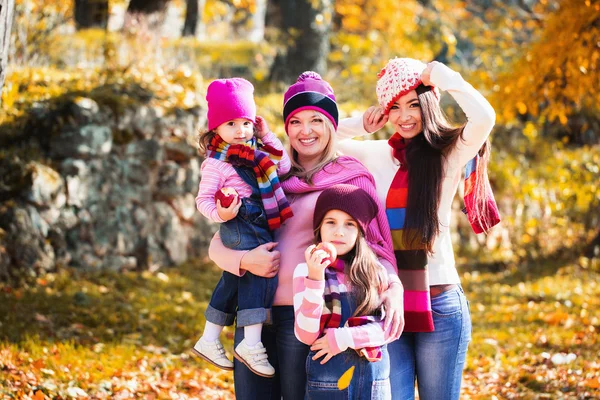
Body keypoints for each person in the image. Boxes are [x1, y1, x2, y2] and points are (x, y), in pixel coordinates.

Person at [207, 71, 405, 400]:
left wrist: (394, 288)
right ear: (286, 128)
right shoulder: (267, 173)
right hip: (253, 313)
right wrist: (246, 260)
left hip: (304, 316)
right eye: (296, 122)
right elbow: (220, 243)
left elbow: (376, 247)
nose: (306, 131)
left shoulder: (350, 178)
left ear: (332, 126)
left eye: (316, 120)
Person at [336, 58, 500, 399]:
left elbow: (485, 117)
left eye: (413, 103)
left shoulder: (450, 154)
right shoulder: (379, 153)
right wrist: (362, 124)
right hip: (387, 306)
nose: (405, 115)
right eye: (394, 107)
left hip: (441, 305)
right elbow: (316, 140)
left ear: (430, 101)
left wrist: (442, 75)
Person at [193, 77, 293, 377]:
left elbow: (284, 166)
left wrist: (268, 135)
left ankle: (209, 337)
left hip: (256, 221)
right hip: (239, 221)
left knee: (233, 280)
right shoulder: (217, 164)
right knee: (256, 277)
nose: (240, 131)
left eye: (246, 123)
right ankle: (250, 343)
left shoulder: (256, 153)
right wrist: (222, 213)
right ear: (216, 130)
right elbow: (203, 201)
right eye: (231, 124)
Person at [294, 184, 400, 399]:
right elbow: (305, 335)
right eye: (330, 222)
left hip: (374, 384)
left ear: (360, 231)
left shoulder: (375, 272)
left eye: (349, 224)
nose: (339, 231)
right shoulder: (305, 270)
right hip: (327, 386)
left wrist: (343, 338)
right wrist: (315, 278)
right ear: (319, 228)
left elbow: (389, 329)